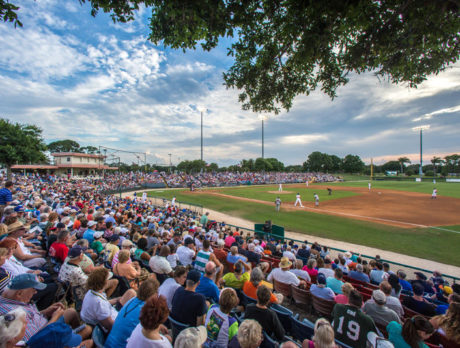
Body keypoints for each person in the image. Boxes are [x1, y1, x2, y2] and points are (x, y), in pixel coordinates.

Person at [0, 273, 90, 343]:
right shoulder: (13, 316)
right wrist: (55, 317)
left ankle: (71, 337)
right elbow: (37, 338)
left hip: (45, 324)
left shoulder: (12, 300)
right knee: (87, 330)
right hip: (45, 337)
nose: (35, 292)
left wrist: (46, 312)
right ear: (19, 293)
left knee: (71, 312)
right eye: (33, 290)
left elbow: (32, 316)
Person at [105, 278, 160, 348]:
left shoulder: (132, 300)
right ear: (153, 294)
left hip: (109, 343)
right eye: (157, 292)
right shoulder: (147, 311)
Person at [80, 267, 136, 332]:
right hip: (116, 321)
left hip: (112, 311)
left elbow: (105, 303)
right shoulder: (99, 303)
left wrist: (117, 299)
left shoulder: (92, 292)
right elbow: (110, 326)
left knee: (131, 292)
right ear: (105, 283)